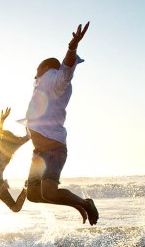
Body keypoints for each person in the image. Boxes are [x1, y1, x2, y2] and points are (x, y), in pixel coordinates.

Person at [19, 22, 99, 225]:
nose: (35, 74)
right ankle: (79, 204)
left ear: (46, 67)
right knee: (33, 195)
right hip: (39, 153)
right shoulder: (42, 87)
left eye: (37, 69)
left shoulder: (55, 80)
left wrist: (72, 48)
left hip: (53, 150)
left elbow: (66, 71)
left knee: (49, 193)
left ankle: (86, 203)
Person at [0, 107, 29, 214]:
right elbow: (27, 137)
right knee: (16, 208)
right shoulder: (10, 148)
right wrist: (28, 125)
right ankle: (26, 187)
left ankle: (3, 188)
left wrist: (2, 120)